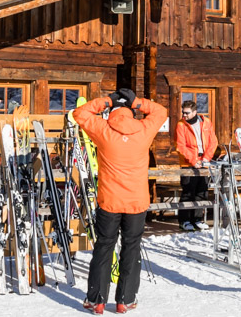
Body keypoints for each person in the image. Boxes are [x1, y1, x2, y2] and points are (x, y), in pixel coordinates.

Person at [74, 88, 168, 315]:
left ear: (112, 112)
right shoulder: (144, 129)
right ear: (131, 112)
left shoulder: (104, 129)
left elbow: (79, 114)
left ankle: (96, 300)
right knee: (131, 247)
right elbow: (161, 112)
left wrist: (106, 101)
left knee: (104, 247)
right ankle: (125, 300)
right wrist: (138, 103)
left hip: (110, 201)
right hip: (136, 202)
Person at [173, 100, 217, 231]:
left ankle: (197, 219)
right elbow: (180, 146)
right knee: (188, 191)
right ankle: (185, 220)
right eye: (183, 112)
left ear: (195, 112)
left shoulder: (206, 122)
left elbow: (213, 142)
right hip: (188, 162)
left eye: (187, 113)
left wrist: (206, 158)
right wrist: (193, 161)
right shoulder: (181, 125)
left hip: (204, 160)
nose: (184, 115)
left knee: (202, 190)